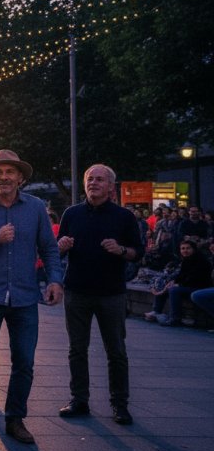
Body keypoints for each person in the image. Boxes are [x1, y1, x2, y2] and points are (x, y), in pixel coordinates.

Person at [0, 150, 63, 444]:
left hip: (24, 297)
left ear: (20, 177)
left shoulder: (35, 208)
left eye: (10, 172)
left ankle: (15, 419)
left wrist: (55, 280)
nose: (4, 177)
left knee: (24, 361)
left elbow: (49, 248)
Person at [56, 164, 145, 425]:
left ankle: (119, 404)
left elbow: (137, 252)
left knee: (116, 350)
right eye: (90, 179)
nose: (93, 183)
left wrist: (121, 250)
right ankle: (79, 399)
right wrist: (61, 246)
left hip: (111, 293)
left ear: (110, 187)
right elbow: (56, 250)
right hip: (77, 291)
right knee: (77, 349)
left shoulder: (124, 217)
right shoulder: (72, 214)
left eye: (99, 179)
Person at [146, 240, 212, 326]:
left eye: (188, 248)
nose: (185, 251)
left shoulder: (201, 261)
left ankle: (175, 318)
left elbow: (196, 279)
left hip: (199, 287)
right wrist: (173, 282)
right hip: (188, 285)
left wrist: (179, 284)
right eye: (183, 249)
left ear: (194, 249)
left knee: (174, 290)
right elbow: (181, 275)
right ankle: (156, 310)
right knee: (164, 283)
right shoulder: (186, 260)